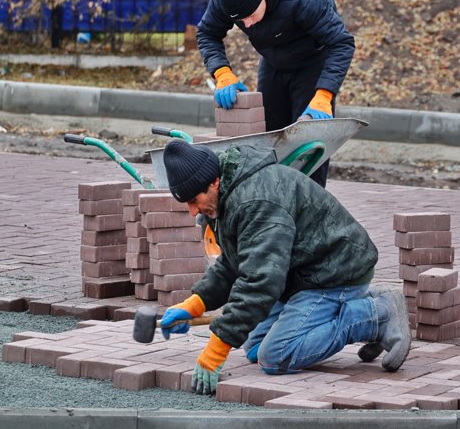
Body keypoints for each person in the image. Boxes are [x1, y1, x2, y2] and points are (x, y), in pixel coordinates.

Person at [159, 140, 411, 395]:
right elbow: (235, 263)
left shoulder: (255, 201)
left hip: (335, 272)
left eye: (194, 200)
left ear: (213, 181)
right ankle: (359, 307)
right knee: (255, 346)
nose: (192, 212)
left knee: (275, 355)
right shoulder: (227, 195)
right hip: (303, 274)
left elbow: (260, 282)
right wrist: (195, 304)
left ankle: (376, 316)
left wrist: (215, 351)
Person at [196, 0, 355, 188]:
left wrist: (324, 94)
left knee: (308, 143)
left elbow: (341, 43)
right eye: (241, 21)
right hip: (273, 62)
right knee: (268, 142)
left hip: (312, 62)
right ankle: (273, 204)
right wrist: (222, 73)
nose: (246, 24)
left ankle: (310, 211)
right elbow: (207, 32)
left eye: (249, 16)